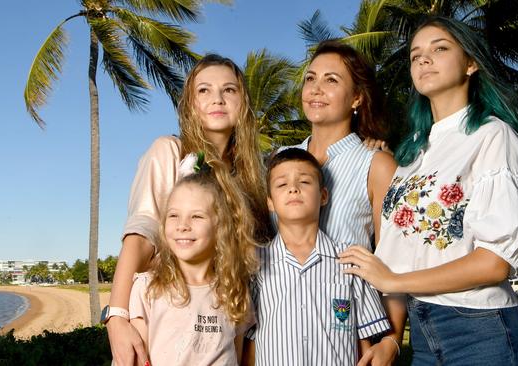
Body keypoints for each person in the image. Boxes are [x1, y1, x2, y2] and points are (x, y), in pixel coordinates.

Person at [339, 16, 518, 365]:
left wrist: (393, 277)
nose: (423, 60)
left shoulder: (493, 136)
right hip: (423, 330)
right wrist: (392, 337)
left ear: (471, 63)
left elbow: (495, 263)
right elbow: (408, 247)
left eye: (440, 48)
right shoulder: (412, 151)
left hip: (482, 330)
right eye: (415, 55)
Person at [106, 54, 270, 366]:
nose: (217, 99)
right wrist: (116, 317)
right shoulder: (169, 151)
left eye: (230, 90)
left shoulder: (255, 175)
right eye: (204, 90)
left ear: (243, 103)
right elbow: (141, 234)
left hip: (231, 323)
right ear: (190, 104)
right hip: (170, 323)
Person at [281, 40, 401, 364]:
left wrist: (392, 340)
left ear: (357, 98)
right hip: (278, 331)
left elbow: (395, 260)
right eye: (310, 78)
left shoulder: (377, 165)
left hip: (345, 334)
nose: (316, 89)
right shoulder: (277, 162)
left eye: (331, 80)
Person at [243, 148, 391, 365]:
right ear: (270, 203)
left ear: (323, 196)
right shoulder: (255, 264)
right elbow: (250, 342)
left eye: (304, 182)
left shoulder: (352, 260)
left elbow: (365, 343)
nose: (293, 189)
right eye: (282, 184)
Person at [129, 168, 257, 365]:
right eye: (173, 216)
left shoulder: (235, 290)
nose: (182, 225)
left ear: (221, 226)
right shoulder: (147, 288)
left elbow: (238, 357)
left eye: (196, 216)